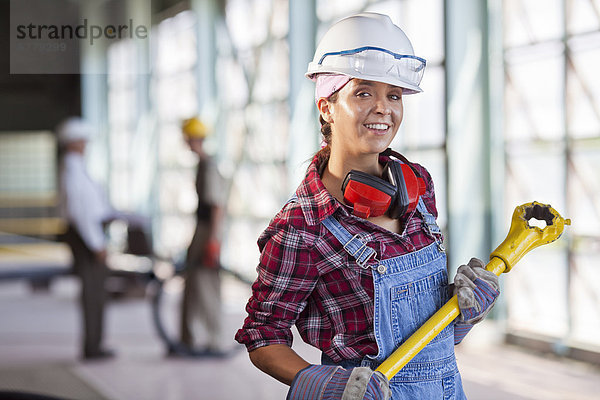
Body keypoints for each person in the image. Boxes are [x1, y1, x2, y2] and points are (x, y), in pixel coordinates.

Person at [235, 13, 500, 399]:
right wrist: (314, 380)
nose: (383, 108)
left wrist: (465, 312)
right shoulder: (303, 226)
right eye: (363, 93)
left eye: (393, 95)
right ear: (326, 106)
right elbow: (262, 334)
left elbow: (426, 330)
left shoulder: (419, 186)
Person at [57, 117, 117, 360]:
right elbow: (80, 212)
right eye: (82, 140)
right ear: (73, 142)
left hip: (88, 234)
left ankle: (95, 343)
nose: (85, 145)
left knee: (96, 292)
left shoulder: (76, 167)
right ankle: (93, 346)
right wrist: (96, 243)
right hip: (86, 238)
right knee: (93, 293)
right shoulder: (72, 169)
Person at [176, 117, 227, 357]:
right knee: (193, 283)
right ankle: (189, 338)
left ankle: (214, 340)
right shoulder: (202, 164)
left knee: (206, 286)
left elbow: (217, 206)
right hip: (202, 229)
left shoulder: (209, 165)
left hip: (209, 230)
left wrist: (213, 242)